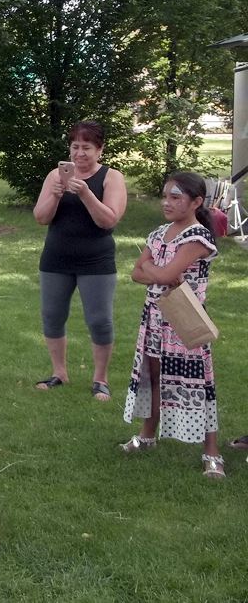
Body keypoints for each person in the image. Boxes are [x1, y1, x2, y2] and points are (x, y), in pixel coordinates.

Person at [122, 172, 223, 478]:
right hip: (154, 317)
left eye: (175, 197)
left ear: (196, 202)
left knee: (197, 384)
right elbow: (135, 274)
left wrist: (152, 268)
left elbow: (161, 275)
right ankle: (148, 434)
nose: (166, 202)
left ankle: (212, 452)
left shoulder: (198, 237)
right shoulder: (159, 233)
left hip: (183, 320)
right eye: (165, 196)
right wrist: (157, 270)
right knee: (152, 375)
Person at [33, 121, 127, 400]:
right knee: (52, 317)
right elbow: (40, 218)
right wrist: (54, 195)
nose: (80, 153)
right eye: (75, 147)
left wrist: (86, 193)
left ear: (100, 149)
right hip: (55, 258)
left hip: (95, 261)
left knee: (99, 320)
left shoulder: (112, 178)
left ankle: (101, 379)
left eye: (86, 147)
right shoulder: (55, 176)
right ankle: (59, 373)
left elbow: (108, 221)